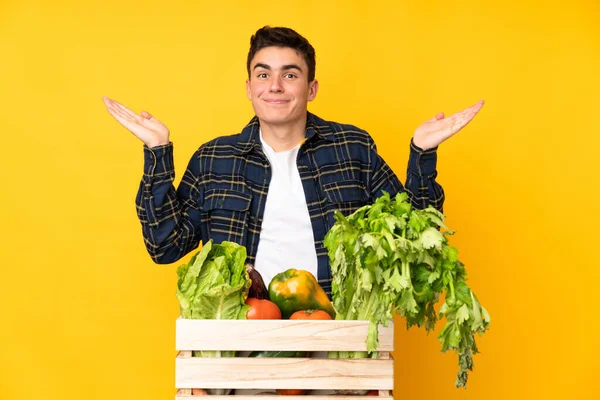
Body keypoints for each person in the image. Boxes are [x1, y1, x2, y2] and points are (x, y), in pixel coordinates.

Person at [102, 26, 484, 294]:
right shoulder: (213, 158)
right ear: (249, 88)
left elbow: (415, 239)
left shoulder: (353, 148)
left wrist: (422, 152)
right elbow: (165, 247)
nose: (275, 86)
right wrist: (157, 151)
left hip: (336, 330)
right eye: (263, 74)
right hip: (240, 332)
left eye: (290, 74)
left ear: (311, 88)